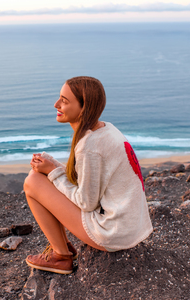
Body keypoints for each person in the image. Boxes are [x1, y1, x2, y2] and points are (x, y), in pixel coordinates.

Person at [23, 76, 153, 274]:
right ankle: (63, 248)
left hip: (112, 232)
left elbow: (86, 203)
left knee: (32, 182)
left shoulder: (89, 146)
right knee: (41, 177)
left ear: (83, 108)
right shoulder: (106, 129)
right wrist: (52, 165)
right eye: (59, 98)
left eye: (64, 101)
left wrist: (53, 172)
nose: (56, 104)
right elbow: (88, 178)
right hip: (130, 226)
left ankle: (61, 256)